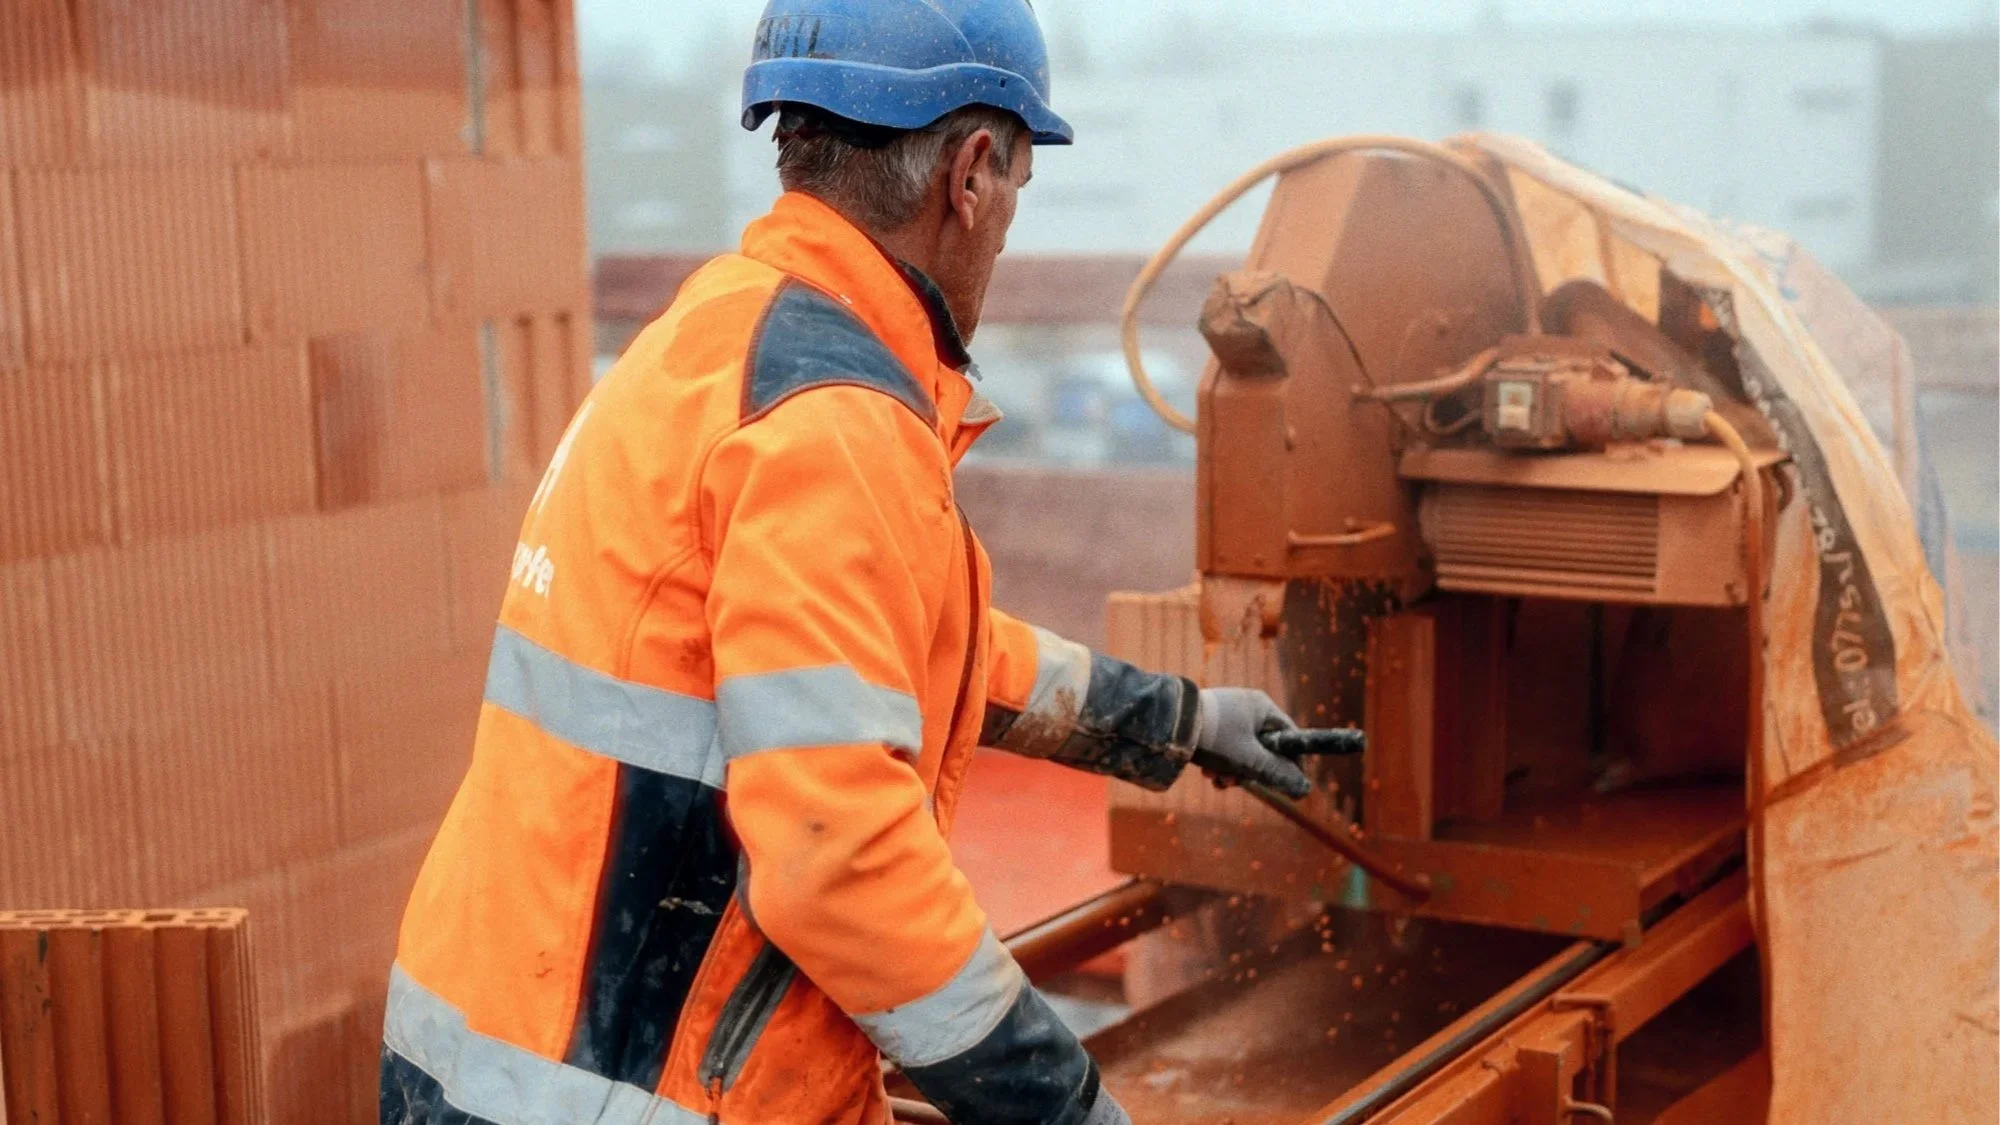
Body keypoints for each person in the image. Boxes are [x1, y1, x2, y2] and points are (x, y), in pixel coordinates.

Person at [378, 2, 1309, 1123]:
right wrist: (1062, 1106)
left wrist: (1178, 720)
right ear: (970, 174)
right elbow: (839, 859)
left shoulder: (715, 335)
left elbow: (885, 650)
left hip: (489, 1052)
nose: (1008, 225)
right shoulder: (833, 421)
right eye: (1017, 183)